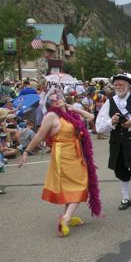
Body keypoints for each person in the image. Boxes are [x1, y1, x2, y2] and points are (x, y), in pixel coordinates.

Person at [17, 89, 101, 237]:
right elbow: (39, 135)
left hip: (76, 154)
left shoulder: (71, 114)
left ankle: (67, 215)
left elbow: (92, 116)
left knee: (72, 185)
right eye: (53, 99)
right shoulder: (51, 116)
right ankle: (66, 218)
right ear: (49, 103)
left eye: (58, 97)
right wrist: (26, 151)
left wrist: (72, 107)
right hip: (63, 155)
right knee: (81, 184)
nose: (56, 100)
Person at [96, 74, 131, 210]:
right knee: (121, 171)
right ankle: (125, 198)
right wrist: (111, 121)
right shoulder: (109, 102)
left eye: (121, 85)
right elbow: (99, 126)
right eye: (116, 85)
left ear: (128, 86)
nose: (118, 87)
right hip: (117, 142)